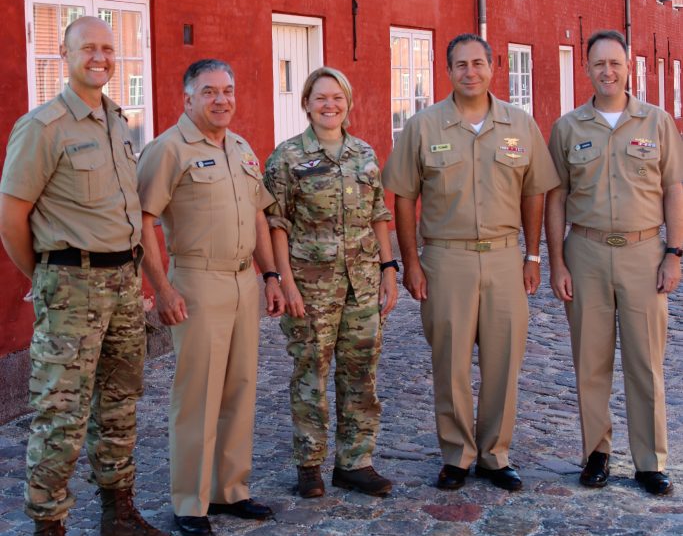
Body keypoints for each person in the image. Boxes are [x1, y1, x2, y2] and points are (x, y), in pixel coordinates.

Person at [0, 17, 172, 536]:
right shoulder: (42, 127)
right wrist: (48, 277)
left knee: (121, 403)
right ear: (64, 53)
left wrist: (142, 280)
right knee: (61, 415)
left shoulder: (118, 124)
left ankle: (117, 515)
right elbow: (11, 219)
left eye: (107, 48)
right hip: (71, 286)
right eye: (87, 48)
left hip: (124, 283)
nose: (99, 57)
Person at [383, 34, 559, 492]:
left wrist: (533, 254)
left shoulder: (520, 124)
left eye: (478, 63)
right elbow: (403, 196)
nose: (470, 72)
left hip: (503, 257)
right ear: (448, 71)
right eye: (460, 64)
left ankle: (496, 455)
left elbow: (534, 191)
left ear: (492, 67)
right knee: (451, 362)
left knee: (504, 362)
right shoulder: (424, 127)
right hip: (446, 260)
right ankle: (456, 455)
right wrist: (411, 263)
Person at [136, 59, 285, 536]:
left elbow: (260, 217)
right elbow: (141, 221)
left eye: (228, 90)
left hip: (244, 281)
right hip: (197, 282)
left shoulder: (240, 147)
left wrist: (272, 276)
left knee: (240, 387)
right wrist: (162, 288)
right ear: (188, 99)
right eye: (209, 92)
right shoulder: (168, 150)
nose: (221, 99)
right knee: (198, 394)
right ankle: (189, 501)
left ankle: (231, 490)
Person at [546, 29, 683, 496]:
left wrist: (674, 252)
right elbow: (557, 196)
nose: (607, 71)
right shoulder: (568, 127)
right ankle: (597, 453)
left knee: (646, 361)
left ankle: (650, 460)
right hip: (585, 251)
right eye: (599, 63)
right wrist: (557, 262)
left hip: (645, 253)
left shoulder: (657, 122)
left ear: (629, 69)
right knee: (591, 360)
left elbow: (674, 189)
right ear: (587, 69)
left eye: (616, 63)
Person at [264, 66, 398, 499]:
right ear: (306, 103)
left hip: (361, 281)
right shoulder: (286, 157)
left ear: (348, 104)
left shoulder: (363, 153)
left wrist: (388, 269)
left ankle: (355, 462)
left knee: (361, 374)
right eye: (321, 97)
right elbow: (277, 223)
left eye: (337, 98)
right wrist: (285, 281)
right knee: (311, 374)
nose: (329, 105)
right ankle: (309, 464)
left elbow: (379, 214)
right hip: (310, 285)